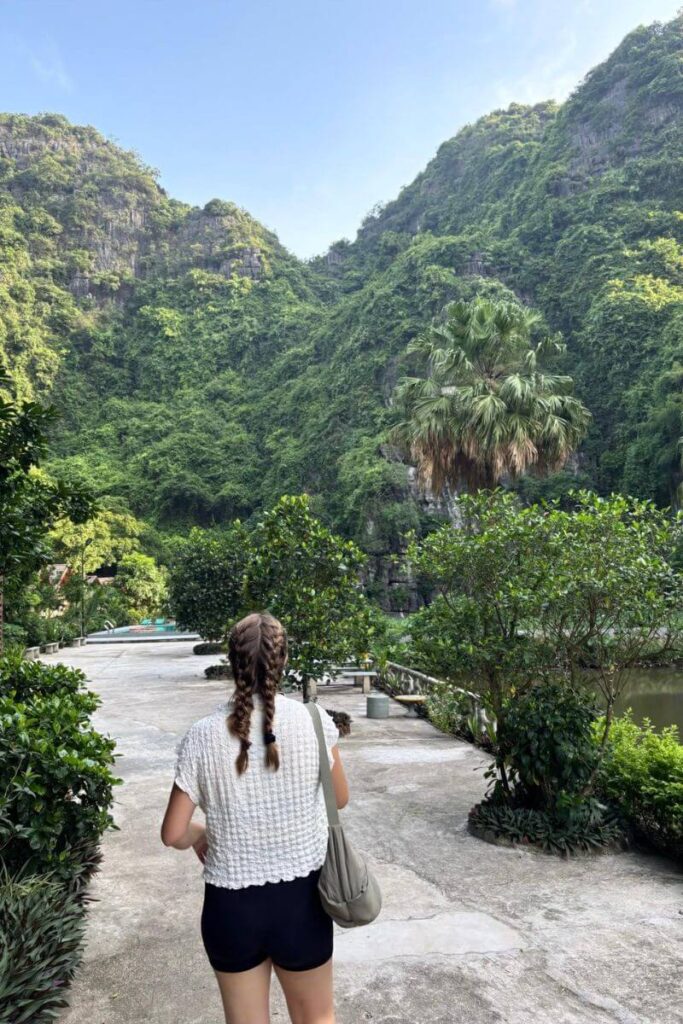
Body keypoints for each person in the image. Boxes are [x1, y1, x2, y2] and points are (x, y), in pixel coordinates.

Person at [161, 611, 349, 1024]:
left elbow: (172, 832)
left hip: (231, 906)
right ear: (284, 662)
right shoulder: (313, 721)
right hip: (303, 901)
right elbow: (340, 797)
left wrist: (200, 835)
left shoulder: (202, 735)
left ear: (232, 662)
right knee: (316, 1018)